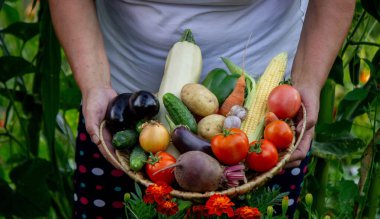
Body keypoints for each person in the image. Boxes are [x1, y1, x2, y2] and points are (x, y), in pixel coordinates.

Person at [49, 0, 355, 218]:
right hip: (117, 119)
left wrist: (308, 84)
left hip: (264, 131)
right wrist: (94, 86)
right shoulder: (119, 133)